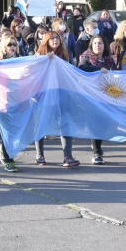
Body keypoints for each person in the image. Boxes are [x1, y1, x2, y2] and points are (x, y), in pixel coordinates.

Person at [35, 32, 80, 167]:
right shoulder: (40, 56)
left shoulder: (64, 55)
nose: (55, 40)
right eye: (52, 38)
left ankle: (67, 156)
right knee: (41, 122)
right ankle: (39, 154)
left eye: (57, 38)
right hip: (44, 93)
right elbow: (35, 74)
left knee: (65, 122)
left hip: (62, 93)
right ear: (46, 41)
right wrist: (45, 61)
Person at [78, 35, 118, 164]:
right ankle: (96, 152)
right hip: (91, 96)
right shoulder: (86, 57)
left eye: (100, 43)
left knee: (105, 123)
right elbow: (82, 68)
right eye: (95, 43)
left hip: (106, 95)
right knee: (95, 123)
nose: (97, 45)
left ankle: (98, 144)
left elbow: (116, 73)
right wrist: (98, 69)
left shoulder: (109, 59)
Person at [0, 36, 20, 172]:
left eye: (14, 44)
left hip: (17, 99)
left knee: (14, 129)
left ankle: (4, 149)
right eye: (9, 44)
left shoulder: (20, 59)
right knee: (7, 129)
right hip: (2, 100)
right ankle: (9, 159)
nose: (12, 47)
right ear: (4, 46)